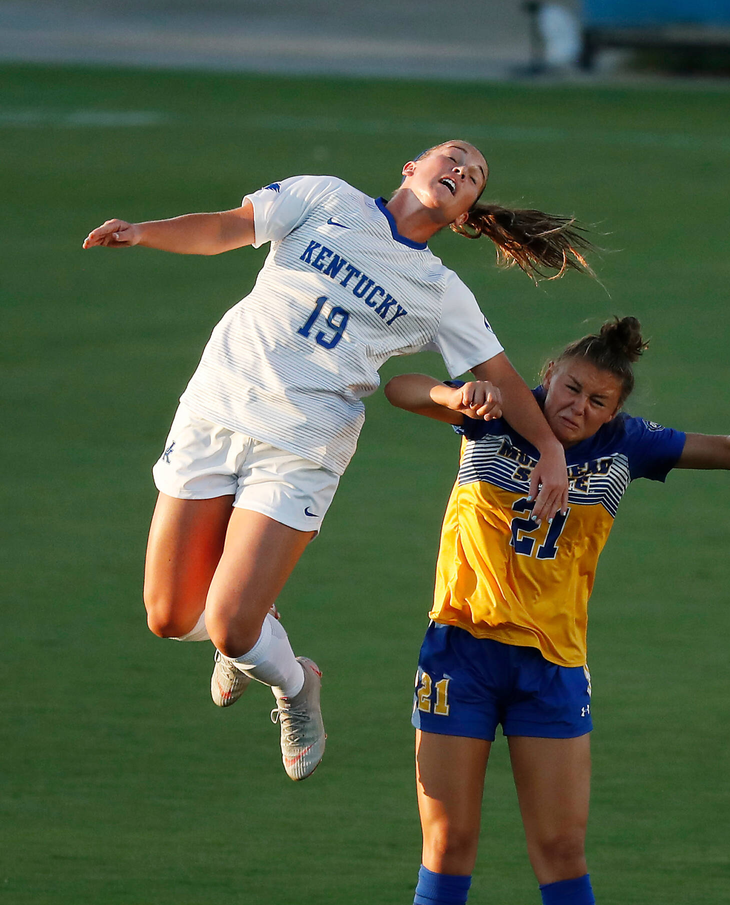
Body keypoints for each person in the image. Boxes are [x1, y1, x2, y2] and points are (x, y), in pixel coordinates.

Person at [384, 317, 730, 905]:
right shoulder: (497, 410)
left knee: (563, 848)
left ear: (614, 410)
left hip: (552, 670)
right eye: (570, 387)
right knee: (449, 842)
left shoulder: (626, 448)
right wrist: (452, 391)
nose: (577, 406)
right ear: (548, 373)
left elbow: (726, 450)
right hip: (461, 654)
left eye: (596, 399)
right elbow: (400, 389)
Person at [82, 141, 592, 780]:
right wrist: (144, 233)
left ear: (464, 214)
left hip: (303, 446)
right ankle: (257, 622)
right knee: (169, 618)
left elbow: (501, 375)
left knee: (232, 630)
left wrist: (548, 448)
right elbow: (228, 228)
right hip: (215, 411)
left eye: (475, 177)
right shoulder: (325, 197)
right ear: (412, 167)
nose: (462, 171)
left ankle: (295, 686)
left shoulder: (439, 290)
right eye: (454, 157)